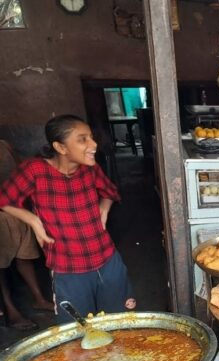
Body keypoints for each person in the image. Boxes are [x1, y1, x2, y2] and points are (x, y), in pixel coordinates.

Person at [0, 115, 136, 324]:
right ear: (60, 147)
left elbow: (110, 191)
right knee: (79, 333)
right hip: (69, 269)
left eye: (91, 137)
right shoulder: (35, 170)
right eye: (83, 139)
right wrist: (33, 220)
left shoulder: (90, 169)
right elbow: (4, 199)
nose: (93, 144)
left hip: (108, 261)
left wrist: (104, 208)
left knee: (121, 324)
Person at [0, 140, 54, 330]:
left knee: (25, 257)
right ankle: (11, 310)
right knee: (1, 266)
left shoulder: (4, 145)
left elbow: (20, 168)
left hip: (18, 212)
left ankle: (39, 299)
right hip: (3, 213)